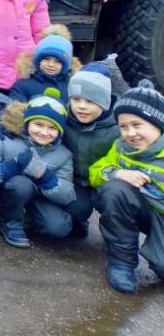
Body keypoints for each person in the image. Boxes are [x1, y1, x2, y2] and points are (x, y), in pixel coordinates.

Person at [90, 81, 164, 294]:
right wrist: (117, 173)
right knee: (114, 190)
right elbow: (95, 172)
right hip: (141, 209)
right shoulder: (121, 147)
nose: (130, 133)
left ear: (157, 123)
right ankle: (121, 263)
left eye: (137, 125)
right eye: (123, 127)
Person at [0, 91, 75, 248]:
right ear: (27, 123)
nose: (44, 132)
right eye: (38, 124)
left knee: (59, 228)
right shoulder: (6, 140)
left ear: (60, 131)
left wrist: (46, 177)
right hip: (7, 194)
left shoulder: (64, 154)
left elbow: (68, 195)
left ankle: (28, 219)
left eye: (52, 128)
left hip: (38, 197)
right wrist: (10, 167)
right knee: (20, 184)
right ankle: (10, 222)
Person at [62, 62, 119, 238]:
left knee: (114, 205)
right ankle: (79, 221)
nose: (81, 106)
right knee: (75, 209)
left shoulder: (118, 127)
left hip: (107, 182)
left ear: (104, 102)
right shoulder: (64, 119)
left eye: (90, 101)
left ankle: (117, 238)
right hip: (78, 182)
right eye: (76, 99)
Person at [9, 26, 78, 102]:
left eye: (58, 61)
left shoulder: (71, 86)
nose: (51, 64)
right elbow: (16, 106)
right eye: (46, 59)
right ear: (38, 60)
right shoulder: (22, 86)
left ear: (65, 65)